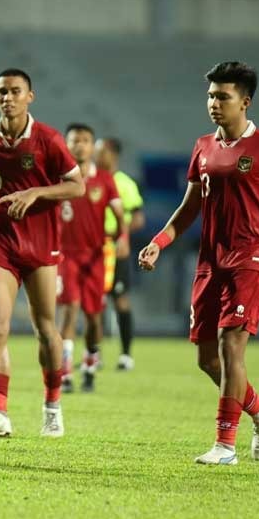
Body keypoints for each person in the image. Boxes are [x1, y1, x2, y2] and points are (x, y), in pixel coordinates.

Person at [138, 61, 259, 465]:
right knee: (207, 359)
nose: (214, 103)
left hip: (251, 259)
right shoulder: (202, 147)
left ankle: (225, 444)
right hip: (210, 261)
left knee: (232, 348)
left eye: (223, 97)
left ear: (245, 102)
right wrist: (160, 241)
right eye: (211, 95)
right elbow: (188, 208)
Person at [0, 68, 85, 438]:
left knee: (45, 328)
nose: (7, 97)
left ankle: (52, 404)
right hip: (0, 243)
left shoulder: (48, 140)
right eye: (1, 91)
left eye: (15, 91)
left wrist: (35, 193)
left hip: (40, 246)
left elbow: (76, 186)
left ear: (30, 97)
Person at [56, 123, 126, 393]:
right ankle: (65, 373)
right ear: (67, 143)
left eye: (85, 140)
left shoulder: (105, 179)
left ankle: (89, 362)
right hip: (66, 256)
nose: (79, 145)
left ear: (92, 145)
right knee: (70, 309)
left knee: (94, 317)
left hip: (95, 256)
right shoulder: (59, 178)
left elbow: (119, 214)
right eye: (74, 140)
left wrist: (121, 238)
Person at [97, 137, 145, 371]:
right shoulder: (90, 180)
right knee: (92, 304)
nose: (97, 155)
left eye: (101, 151)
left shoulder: (124, 184)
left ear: (113, 154)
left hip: (115, 249)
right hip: (91, 249)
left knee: (121, 300)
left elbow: (137, 218)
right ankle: (93, 355)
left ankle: (126, 354)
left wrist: (119, 234)